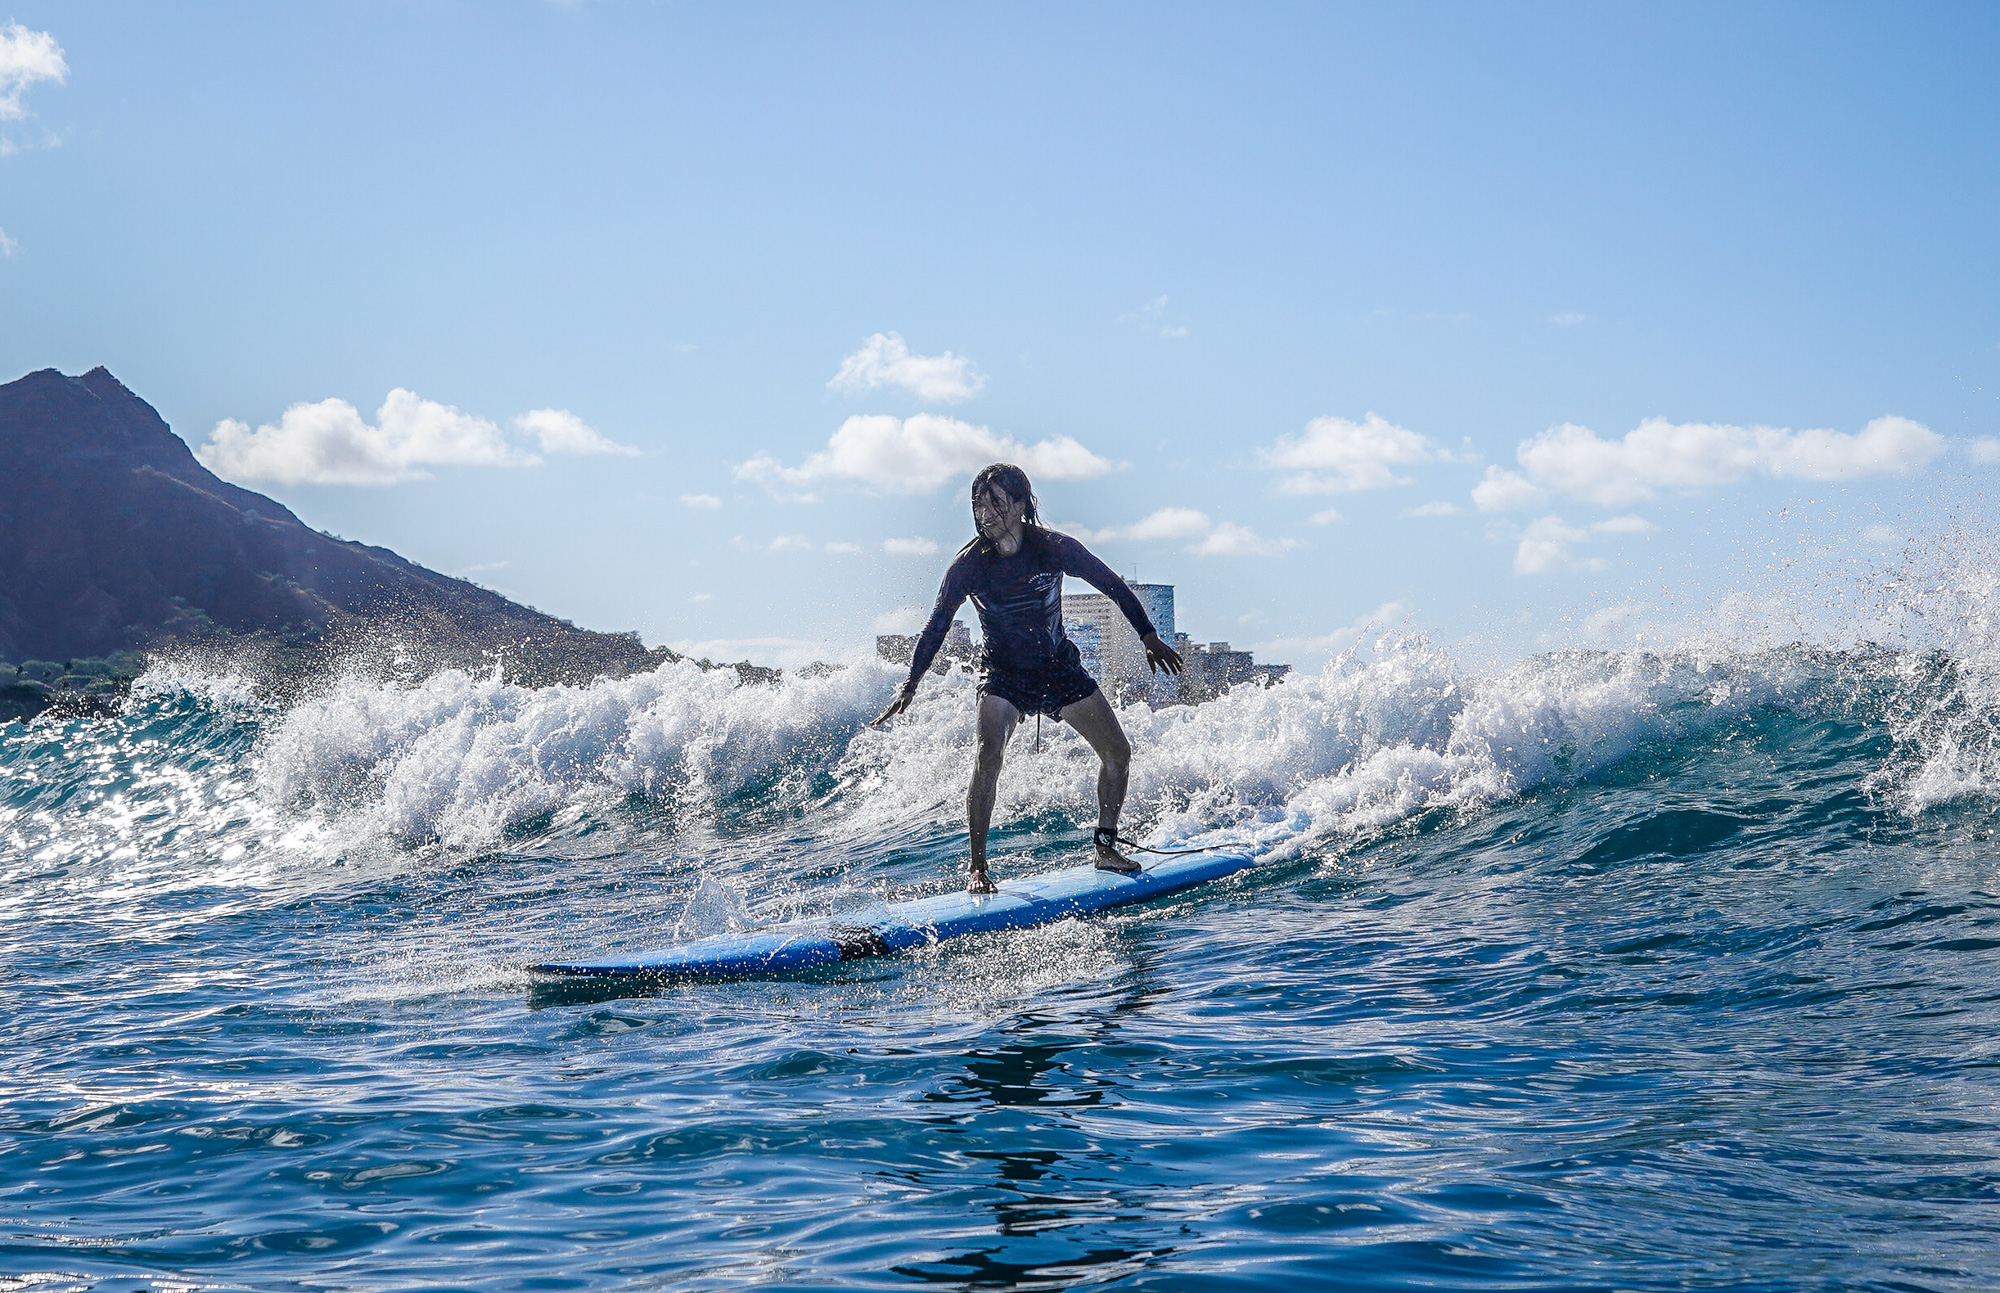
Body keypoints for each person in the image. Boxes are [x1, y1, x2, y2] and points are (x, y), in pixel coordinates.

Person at [872, 463, 1184, 894]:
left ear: (1021, 504)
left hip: (1058, 669)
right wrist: (911, 684)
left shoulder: (1053, 548)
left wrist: (1148, 636)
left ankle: (1105, 848)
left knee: (1118, 752)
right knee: (988, 755)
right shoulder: (968, 566)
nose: (985, 515)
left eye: (996, 504)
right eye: (978, 506)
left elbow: (1111, 584)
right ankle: (978, 868)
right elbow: (936, 625)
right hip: (1003, 675)